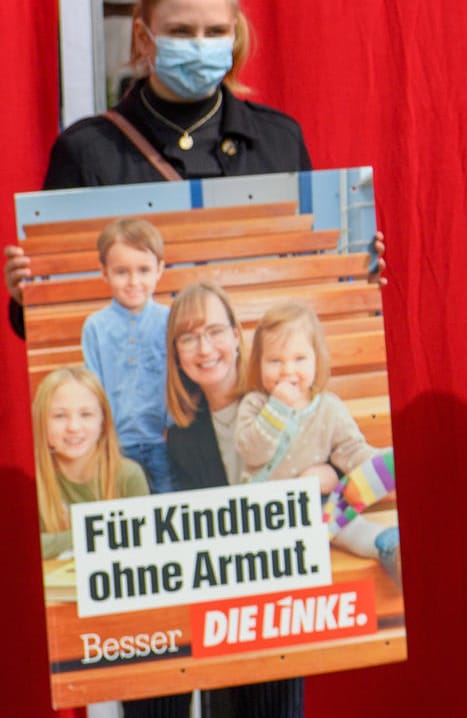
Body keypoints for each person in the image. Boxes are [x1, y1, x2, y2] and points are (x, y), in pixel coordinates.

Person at [5, 0, 311, 339]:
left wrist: (354, 267)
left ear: (234, 33)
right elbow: (50, 329)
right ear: (143, 37)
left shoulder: (279, 141)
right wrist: (29, 296)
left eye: (216, 31)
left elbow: (308, 285)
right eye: (181, 32)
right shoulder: (89, 151)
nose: (201, 45)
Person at [164, 281, 308, 714]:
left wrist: (323, 472)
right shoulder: (181, 439)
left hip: (283, 601)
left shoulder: (283, 399)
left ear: (235, 335)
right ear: (176, 355)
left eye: (213, 331)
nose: (204, 348)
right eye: (188, 338)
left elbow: (336, 458)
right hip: (222, 616)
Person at [237, 300, 401, 581]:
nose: (288, 370)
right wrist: (277, 409)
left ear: (316, 360)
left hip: (320, 506)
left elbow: (350, 450)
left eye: (299, 359)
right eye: (275, 361)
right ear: (259, 364)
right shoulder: (254, 405)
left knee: (353, 527)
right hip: (264, 512)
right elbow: (253, 454)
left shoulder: (329, 407)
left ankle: (392, 548)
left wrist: (378, 463)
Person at [79, 217, 174, 494]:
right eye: (122, 272)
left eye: (144, 270)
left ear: (159, 270)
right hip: (118, 447)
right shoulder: (95, 327)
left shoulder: (170, 320)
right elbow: (92, 388)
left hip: (163, 444)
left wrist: (172, 428)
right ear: (104, 273)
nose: (134, 281)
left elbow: (176, 380)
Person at [34, 366, 150, 559]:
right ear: (41, 422)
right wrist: (96, 533)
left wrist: (60, 540)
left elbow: (144, 541)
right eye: (60, 416)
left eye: (86, 414)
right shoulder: (30, 482)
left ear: (102, 422)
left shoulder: (128, 475)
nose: (74, 427)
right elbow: (20, 548)